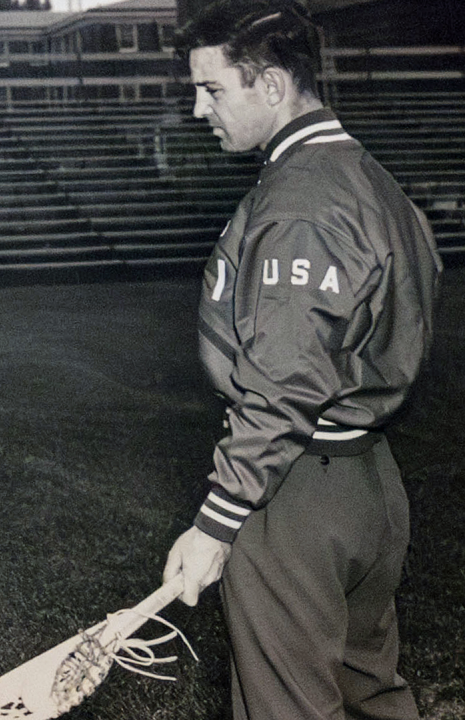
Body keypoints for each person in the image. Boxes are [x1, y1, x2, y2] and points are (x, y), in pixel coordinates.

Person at [161, 2, 440, 719]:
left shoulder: (303, 199)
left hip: (294, 492)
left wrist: (218, 520)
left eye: (213, 90)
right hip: (370, 478)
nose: (198, 110)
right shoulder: (369, 177)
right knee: (369, 691)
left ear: (274, 86)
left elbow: (286, 382)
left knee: (287, 706)